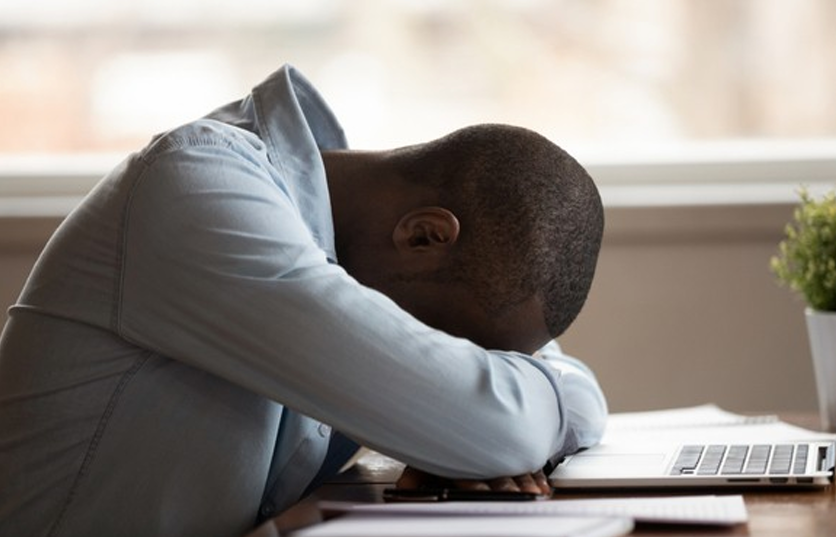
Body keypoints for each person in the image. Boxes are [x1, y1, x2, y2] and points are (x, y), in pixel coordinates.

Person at [0, 65, 607, 537]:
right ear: (423, 235)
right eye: (454, 345)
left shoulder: (326, 231)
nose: (437, 359)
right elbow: (497, 423)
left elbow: (573, 389)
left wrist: (486, 420)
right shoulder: (199, 193)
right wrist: (474, 426)